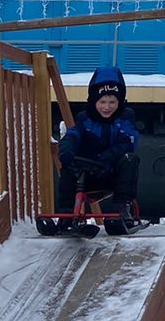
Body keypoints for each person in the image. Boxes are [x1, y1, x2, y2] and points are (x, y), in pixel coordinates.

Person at [56, 65, 141, 232]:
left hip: (112, 175)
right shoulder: (85, 120)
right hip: (87, 175)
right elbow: (73, 135)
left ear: (120, 102)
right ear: (94, 101)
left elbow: (129, 141)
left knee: (130, 159)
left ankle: (121, 210)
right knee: (67, 167)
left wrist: (109, 156)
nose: (107, 107)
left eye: (112, 102)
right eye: (102, 102)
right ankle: (66, 215)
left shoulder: (125, 119)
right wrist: (66, 149)